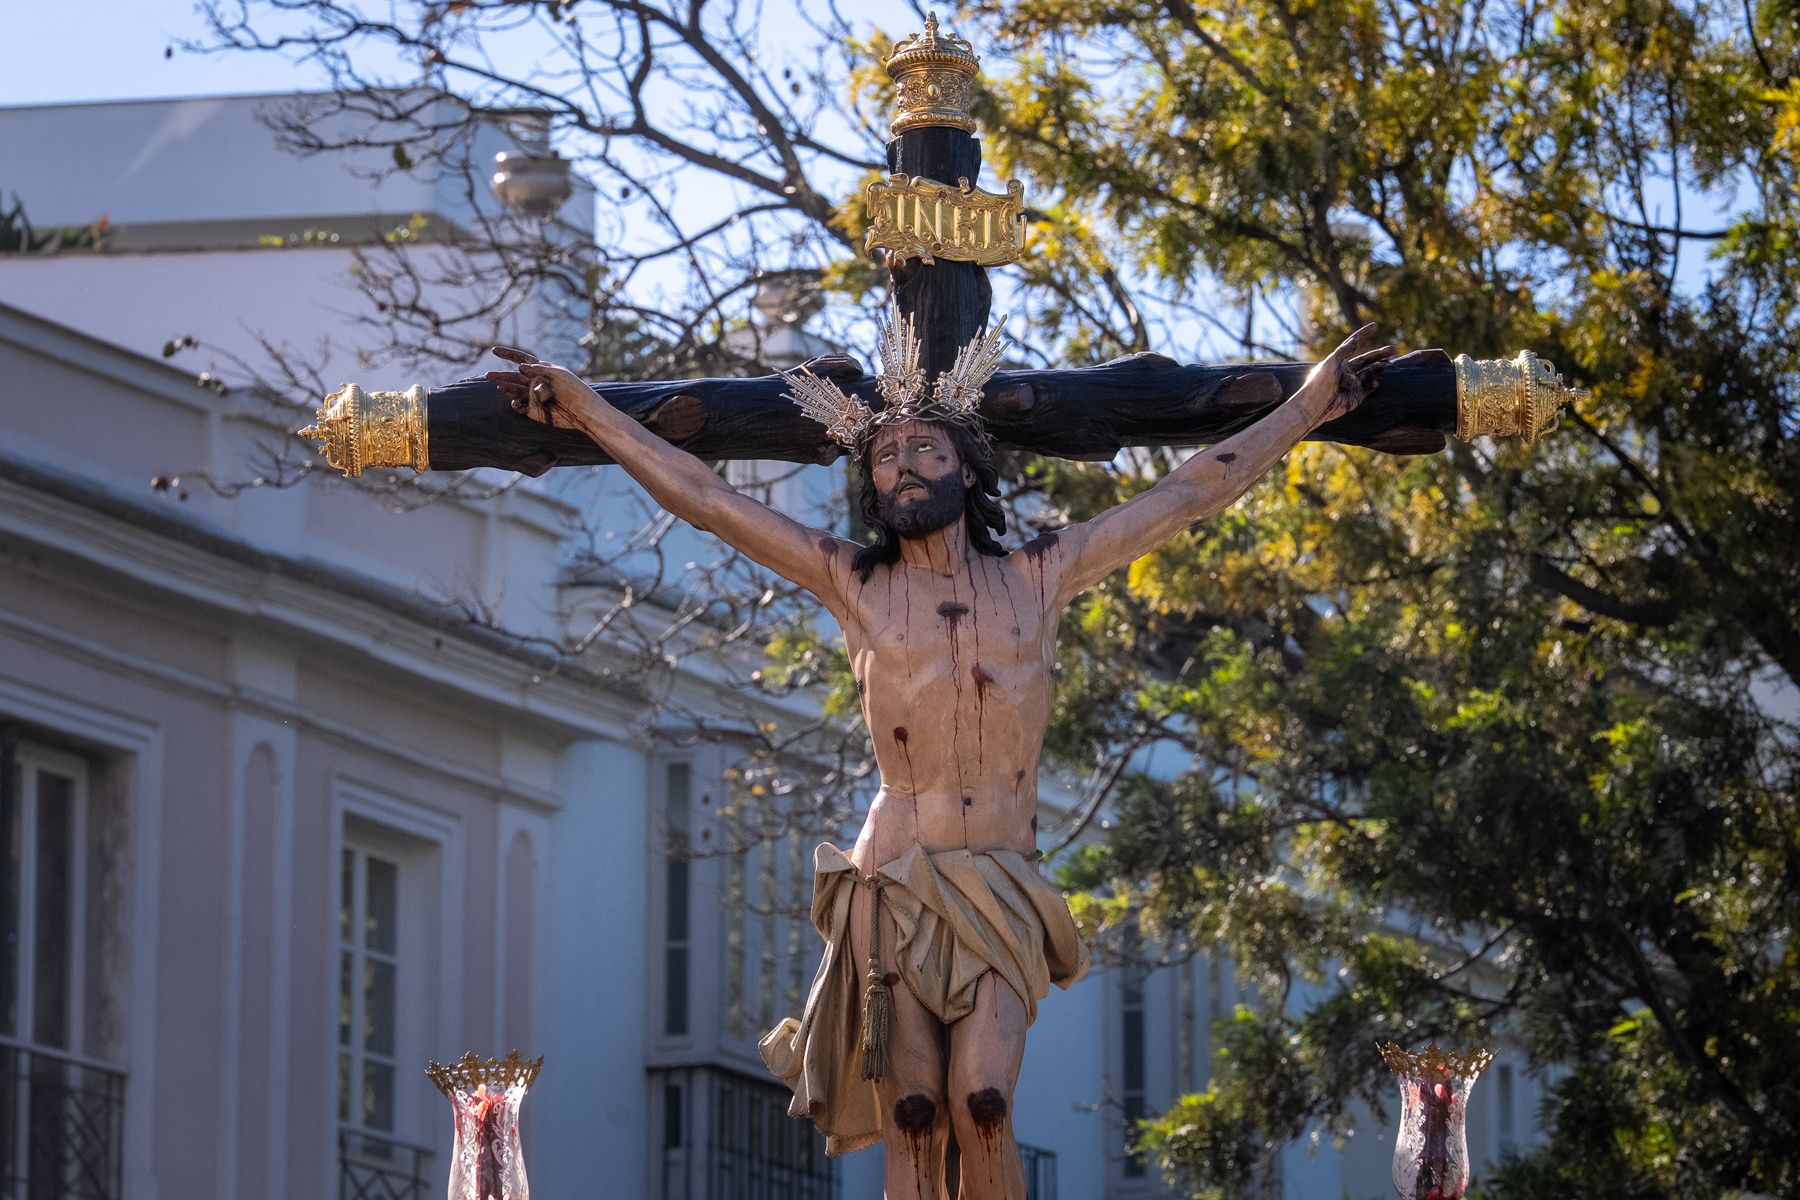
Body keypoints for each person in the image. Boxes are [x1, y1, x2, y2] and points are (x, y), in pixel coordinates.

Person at [487, 315, 1390, 1200]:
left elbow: (1193, 489)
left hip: (998, 877)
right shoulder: (856, 582)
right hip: (893, 880)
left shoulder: (1041, 574)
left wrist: (1308, 404)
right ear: (870, 487)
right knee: (915, 1111)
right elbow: (707, 498)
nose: (904, 468)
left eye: (926, 451)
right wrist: (586, 408)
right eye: (885, 458)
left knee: (983, 1100)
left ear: (968, 467)